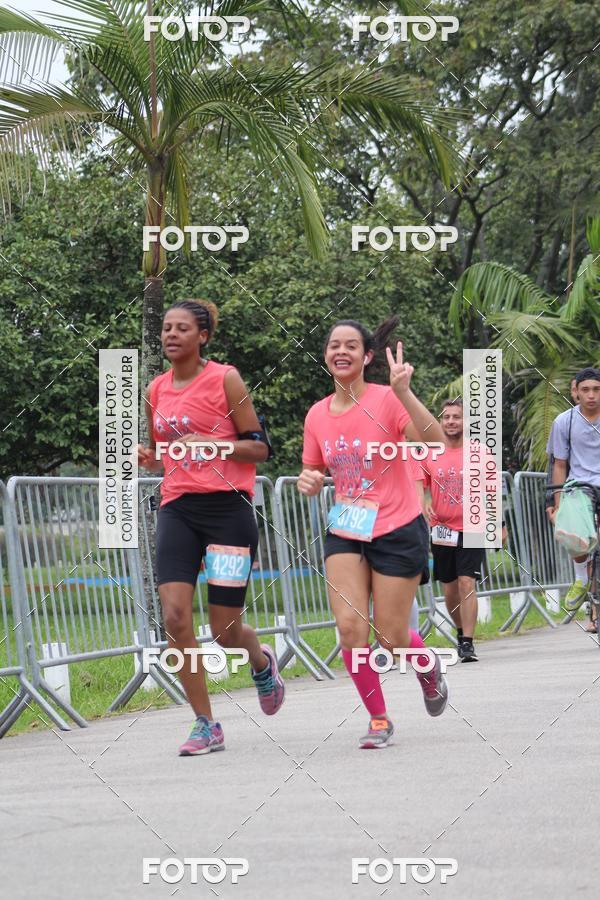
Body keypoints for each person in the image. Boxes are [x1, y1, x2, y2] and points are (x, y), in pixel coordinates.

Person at [136, 299, 284, 756]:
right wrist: (152, 458)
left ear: (203, 336)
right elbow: (166, 453)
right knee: (176, 617)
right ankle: (205, 723)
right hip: (178, 508)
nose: (171, 335)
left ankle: (260, 662)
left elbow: (259, 449)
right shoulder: (155, 390)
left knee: (224, 630)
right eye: (166, 328)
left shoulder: (225, 378)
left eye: (182, 328)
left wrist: (214, 444)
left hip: (227, 512)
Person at [298, 317, 449, 750]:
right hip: (347, 527)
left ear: (366, 357)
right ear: (326, 355)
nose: (340, 351)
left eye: (350, 345)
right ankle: (378, 718)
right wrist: (308, 481)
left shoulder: (387, 400)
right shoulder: (316, 414)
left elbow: (435, 442)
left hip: (398, 525)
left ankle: (427, 666)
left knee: (391, 635)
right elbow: (313, 469)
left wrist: (404, 392)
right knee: (349, 628)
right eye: (332, 345)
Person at [420, 399, 507, 663]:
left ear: (466, 422)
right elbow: (420, 484)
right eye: (446, 417)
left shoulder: (480, 452)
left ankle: (468, 643)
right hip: (442, 530)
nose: (451, 421)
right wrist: (424, 502)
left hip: (473, 526)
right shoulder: (431, 452)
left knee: (467, 582)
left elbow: (492, 492)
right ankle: (460, 633)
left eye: (456, 417)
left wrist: (499, 524)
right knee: (450, 589)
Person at [547, 367, 600, 625]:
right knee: (576, 541)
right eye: (586, 390)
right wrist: (558, 504)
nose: (591, 395)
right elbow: (559, 464)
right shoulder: (563, 422)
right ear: (575, 392)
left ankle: (595, 611)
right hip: (579, 488)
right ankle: (580, 576)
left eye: (597, 390)